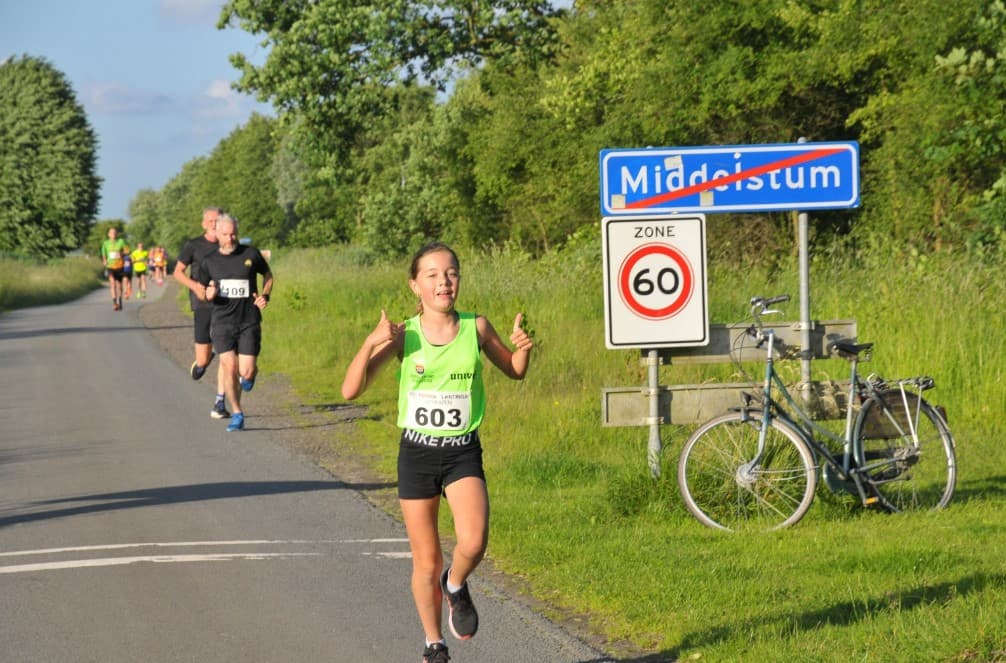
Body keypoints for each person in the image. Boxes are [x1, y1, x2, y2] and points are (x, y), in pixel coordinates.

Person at [340, 242, 533, 663]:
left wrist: (523, 349)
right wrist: (371, 342)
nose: (444, 281)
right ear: (415, 285)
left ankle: (457, 583)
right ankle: (433, 643)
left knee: (474, 540)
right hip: (417, 454)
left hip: (462, 451)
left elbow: (515, 371)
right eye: (432, 274)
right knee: (425, 561)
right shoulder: (404, 334)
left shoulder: (476, 327)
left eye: (451, 273)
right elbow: (350, 389)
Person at [197, 213, 273, 433]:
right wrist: (208, 294)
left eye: (233, 234)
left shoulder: (250, 254)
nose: (230, 239)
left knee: (246, 372)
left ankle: (249, 375)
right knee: (229, 367)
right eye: (225, 235)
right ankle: (237, 413)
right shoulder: (210, 261)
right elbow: (202, 290)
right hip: (222, 323)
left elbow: (268, 275)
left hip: (249, 321)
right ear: (217, 234)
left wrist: (265, 295)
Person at [173, 207, 230, 419]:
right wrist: (195, 286)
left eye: (218, 220)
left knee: (227, 353)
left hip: (225, 305)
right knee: (204, 359)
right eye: (210, 221)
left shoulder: (229, 244)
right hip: (202, 304)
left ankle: (220, 402)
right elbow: (177, 272)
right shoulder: (193, 245)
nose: (214, 224)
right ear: (203, 223)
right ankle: (204, 361)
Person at [100, 227, 128, 311]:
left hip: (120, 266)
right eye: (111, 233)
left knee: (119, 285)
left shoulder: (121, 241)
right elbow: (104, 254)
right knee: (112, 283)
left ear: (117, 234)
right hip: (110, 266)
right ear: (108, 234)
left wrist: (121, 253)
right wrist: (104, 261)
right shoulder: (105, 243)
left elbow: (127, 251)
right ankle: (115, 303)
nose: (113, 234)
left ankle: (120, 300)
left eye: (115, 233)